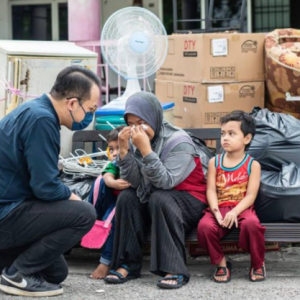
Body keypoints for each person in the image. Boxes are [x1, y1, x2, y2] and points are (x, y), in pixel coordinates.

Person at [0, 65, 100, 297]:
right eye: (91, 110)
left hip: (12, 208)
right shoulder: (42, 120)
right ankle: (18, 276)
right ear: (73, 103)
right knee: (84, 213)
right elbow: (45, 187)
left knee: (55, 273)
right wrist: (74, 200)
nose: (90, 117)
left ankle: (10, 267)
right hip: (6, 212)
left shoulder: (35, 110)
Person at [104, 92, 208, 289]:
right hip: (156, 198)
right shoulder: (139, 139)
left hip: (191, 201)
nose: (136, 129)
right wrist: (125, 152)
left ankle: (175, 269)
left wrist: (146, 151)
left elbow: (166, 182)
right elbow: (135, 183)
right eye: (131, 123)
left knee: (160, 197)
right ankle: (127, 264)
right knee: (127, 197)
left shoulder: (180, 142)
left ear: (154, 117)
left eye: (141, 121)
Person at [197, 110, 266, 283]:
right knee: (204, 227)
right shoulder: (215, 162)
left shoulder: (253, 165)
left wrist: (235, 212)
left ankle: (257, 263)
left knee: (252, 225)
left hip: (242, 208)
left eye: (231, 133)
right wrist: (215, 211)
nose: (225, 138)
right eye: (223, 134)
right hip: (219, 207)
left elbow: (251, 195)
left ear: (247, 139)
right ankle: (221, 264)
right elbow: (211, 190)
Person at [90, 125, 131, 279]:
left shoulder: (130, 162)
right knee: (100, 181)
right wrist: (111, 182)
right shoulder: (115, 164)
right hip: (111, 201)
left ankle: (106, 262)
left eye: (118, 149)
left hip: (126, 206)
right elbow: (108, 172)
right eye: (111, 149)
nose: (114, 154)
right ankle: (93, 217)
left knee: (112, 217)